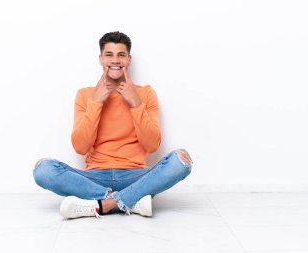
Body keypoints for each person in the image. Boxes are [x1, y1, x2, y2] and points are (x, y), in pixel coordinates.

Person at [33, 31, 192, 218]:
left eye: (121, 55)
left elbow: (152, 145)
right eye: (109, 55)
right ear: (101, 59)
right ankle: (129, 201)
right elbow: (80, 147)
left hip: (136, 176)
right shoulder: (85, 95)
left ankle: (104, 204)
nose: (115, 60)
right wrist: (96, 103)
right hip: (95, 177)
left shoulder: (146, 93)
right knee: (43, 169)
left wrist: (136, 104)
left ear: (129, 59)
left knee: (181, 160)